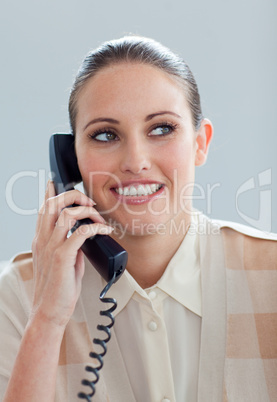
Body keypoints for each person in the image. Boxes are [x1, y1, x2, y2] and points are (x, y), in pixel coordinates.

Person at [0, 35, 276, 402]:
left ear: (200, 143)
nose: (136, 161)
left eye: (161, 128)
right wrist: (47, 321)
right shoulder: (16, 298)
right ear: (71, 160)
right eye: (105, 135)